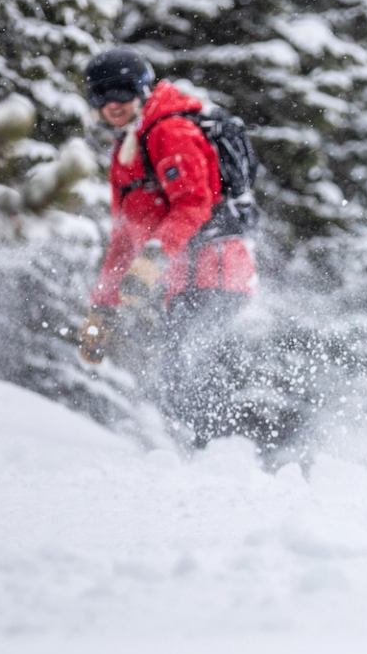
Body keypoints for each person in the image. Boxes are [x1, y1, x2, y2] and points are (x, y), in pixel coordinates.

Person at [75, 46, 257, 445]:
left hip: (217, 272)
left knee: (187, 368)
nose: (112, 104)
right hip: (184, 280)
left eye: (121, 92)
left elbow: (194, 203)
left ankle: (220, 460)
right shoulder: (128, 150)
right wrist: (102, 310)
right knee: (181, 371)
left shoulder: (168, 131)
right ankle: (209, 456)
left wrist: (152, 259)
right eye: (101, 96)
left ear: (141, 90)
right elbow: (124, 239)